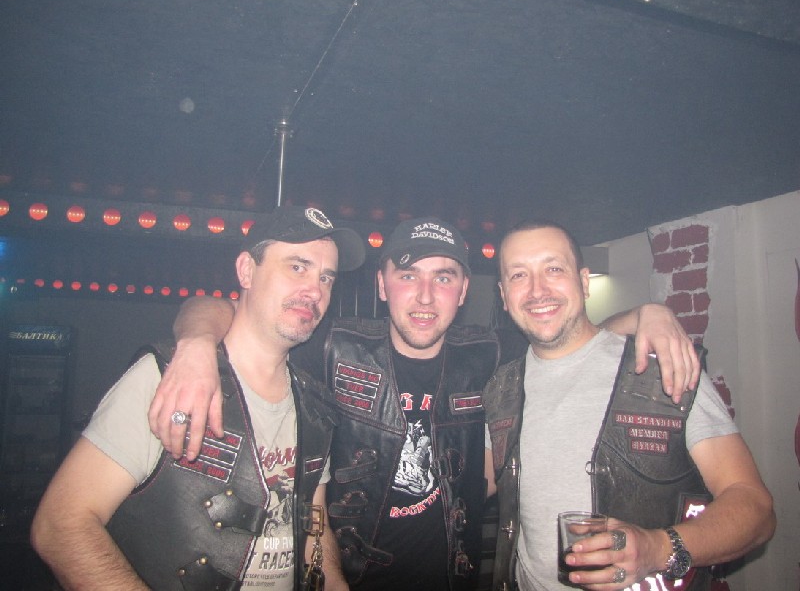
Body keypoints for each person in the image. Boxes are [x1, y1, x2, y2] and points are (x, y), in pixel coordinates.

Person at [149, 216, 701, 591]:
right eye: (408, 275)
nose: (424, 296)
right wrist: (196, 343)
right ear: (382, 284)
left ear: (464, 291)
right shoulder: (334, 347)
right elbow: (228, 309)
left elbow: (572, 337)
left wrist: (646, 314)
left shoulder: (486, 353)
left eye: (443, 277)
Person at [30, 206, 367, 590]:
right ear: (246, 271)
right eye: (297, 267)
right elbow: (60, 525)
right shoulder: (170, 379)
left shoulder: (314, 406)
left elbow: (313, 530)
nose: (315, 290)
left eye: (326, 277)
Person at [484, 219, 775, 590]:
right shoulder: (500, 389)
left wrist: (657, 548)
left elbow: (755, 508)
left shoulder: (663, 368)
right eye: (519, 275)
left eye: (554, 269)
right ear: (504, 296)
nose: (537, 290)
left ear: (584, 281)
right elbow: (471, 484)